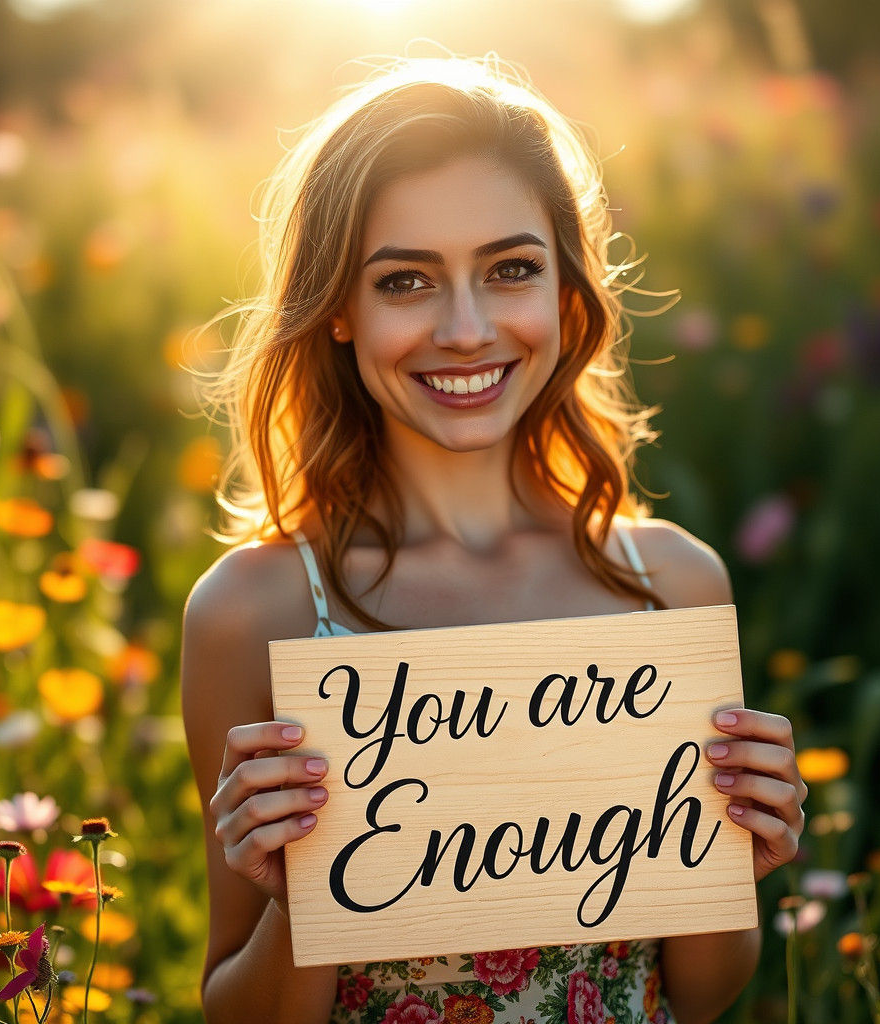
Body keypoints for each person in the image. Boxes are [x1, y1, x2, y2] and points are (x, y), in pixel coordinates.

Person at [180, 54, 807, 1024]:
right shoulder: (253, 611)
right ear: (338, 308)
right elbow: (235, 1007)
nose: (466, 328)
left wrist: (738, 862)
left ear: (564, 288)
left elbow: (694, 991)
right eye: (406, 281)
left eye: (509, 269)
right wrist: (302, 891)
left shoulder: (671, 584)